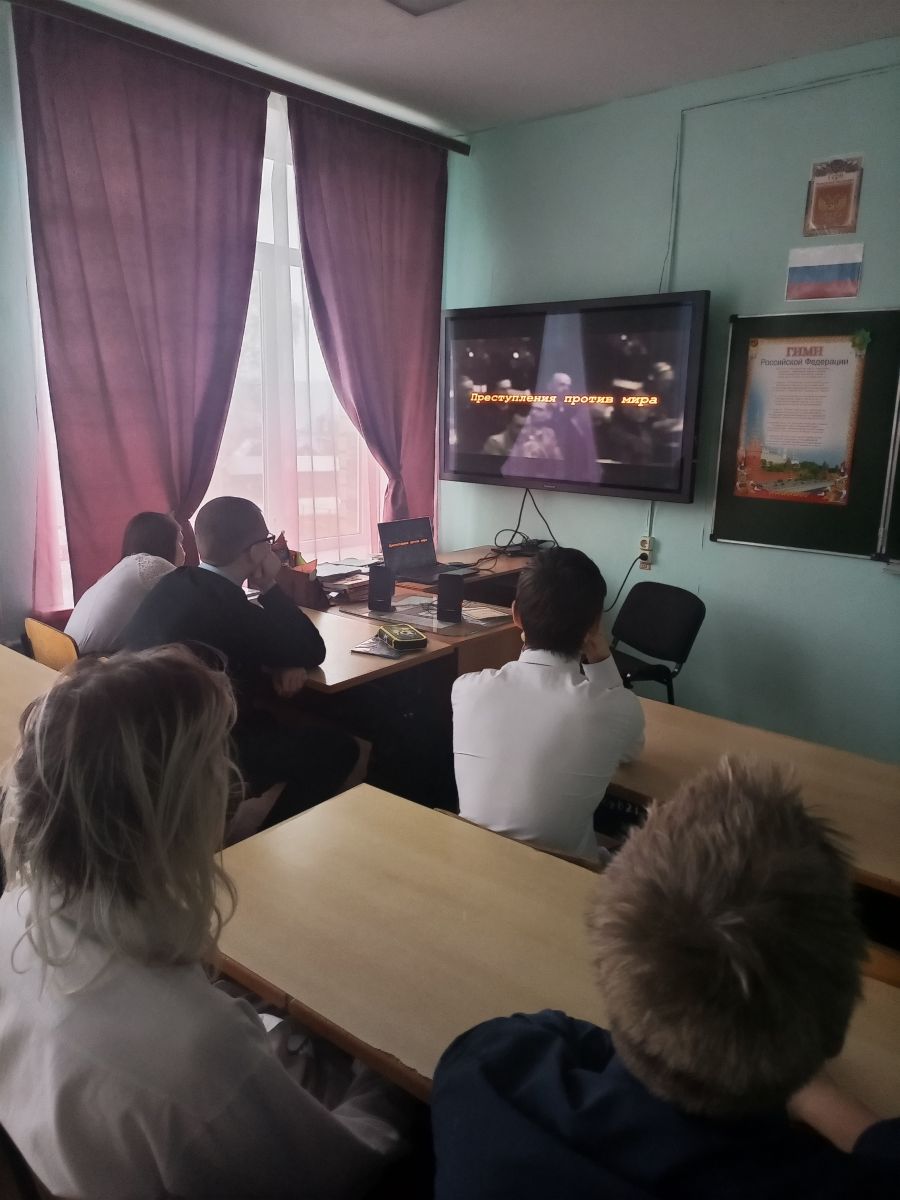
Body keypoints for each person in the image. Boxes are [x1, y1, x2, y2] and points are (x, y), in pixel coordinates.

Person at [0, 648, 407, 1199]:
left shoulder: (14, 914)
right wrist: (389, 1085)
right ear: (173, 809)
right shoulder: (198, 1053)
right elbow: (343, 1169)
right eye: (217, 766)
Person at [431, 758, 900, 1199]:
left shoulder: (488, 1078)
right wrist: (816, 1095)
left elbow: (561, 1035)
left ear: (605, 963)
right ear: (835, 1029)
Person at [122, 496, 360, 827]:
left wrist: (283, 659)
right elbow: (311, 649)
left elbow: (254, 644)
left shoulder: (174, 582)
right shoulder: (233, 610)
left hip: (140, 739)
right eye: (267, 541)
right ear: (255, 551)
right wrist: (270, 585)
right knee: (338, 749)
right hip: (204, 749)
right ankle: (267, 835)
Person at [452, 546, 644, 861]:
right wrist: (601, 658)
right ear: (594, 626)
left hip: (472, 868)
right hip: (568, 878)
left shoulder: (466, 691)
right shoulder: (618, 708)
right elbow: (629, 752)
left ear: (516, 615)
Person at [64, 511, 184, 654]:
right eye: (180, 542)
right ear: (165, 543)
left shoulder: (124, 568)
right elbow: (193, 601)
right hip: (89, 661)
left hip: (63, 654)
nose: (184, 551)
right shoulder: (153, 566)